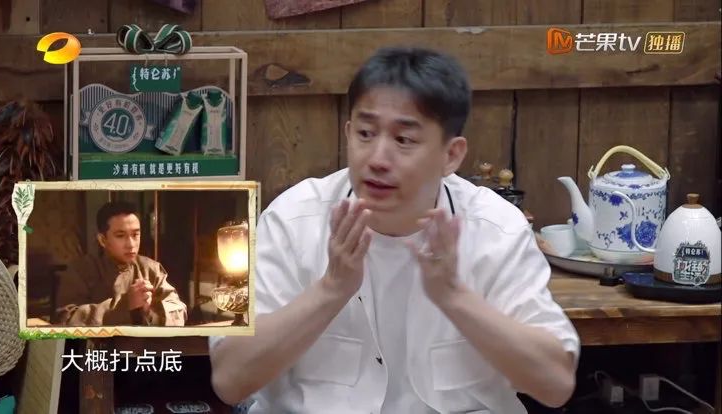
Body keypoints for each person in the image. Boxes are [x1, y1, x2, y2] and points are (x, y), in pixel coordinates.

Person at [209, 47, 580, 413]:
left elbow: (556, 385)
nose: (377, 159)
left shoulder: (495, 228)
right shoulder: (293, 219)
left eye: (404, 140)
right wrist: (331, 290)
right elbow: (230, 380)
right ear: (348, 133)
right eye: (366, 134)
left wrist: (455, 298)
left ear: (451, 155)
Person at [55, 201, 187, 327]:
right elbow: (66, 318)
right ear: (102, 240)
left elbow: (179, 310)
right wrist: (125, 306)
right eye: (120, 236)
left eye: (135, 234)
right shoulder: (81, 270)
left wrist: (149, 312)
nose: (131, 244)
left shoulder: (151, 268)